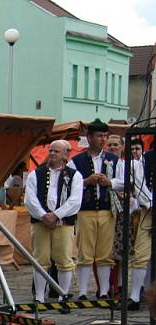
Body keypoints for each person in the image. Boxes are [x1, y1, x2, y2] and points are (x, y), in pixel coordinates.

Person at [68, 119, 123, 300]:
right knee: (85, 252)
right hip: (85, 211)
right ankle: (83, 292)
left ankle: (104, 291)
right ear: (89, 137)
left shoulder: (114, 160)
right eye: (99, 136)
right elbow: (69, 185)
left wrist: (110, 182)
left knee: (104, 253)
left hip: (107, 211)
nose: (103, 139)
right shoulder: (76, 161)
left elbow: (124, 182)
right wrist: (86, 181)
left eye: (105, 136)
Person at [23, 140, 83, 302]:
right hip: (40, 223)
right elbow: (30, 199)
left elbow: (75, 201)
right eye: (50, 151)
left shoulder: (75, 175)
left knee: (64, 259)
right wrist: (43, 215)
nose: (51, 154)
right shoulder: (36, 174)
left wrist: (56, 215)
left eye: (56, 151)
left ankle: (63, 296)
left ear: (66, 155)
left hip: (63, 224)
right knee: (40, 259)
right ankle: (40, 297)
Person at [128, 145, 155, 310]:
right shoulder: (146, 158)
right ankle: (135, 296)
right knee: (141, 253)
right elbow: (140, 184)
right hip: (148, 210)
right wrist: (151, 203)